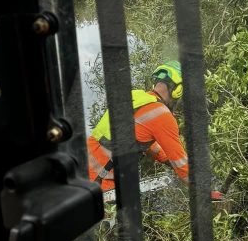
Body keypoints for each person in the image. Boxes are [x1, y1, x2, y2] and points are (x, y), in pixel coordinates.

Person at [87, 60, 222, 199]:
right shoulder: (162, 114)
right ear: (178, 90)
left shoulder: (135, 97)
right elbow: (181, 164)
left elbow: (140, 139)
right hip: (101, 178)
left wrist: (167, 159)